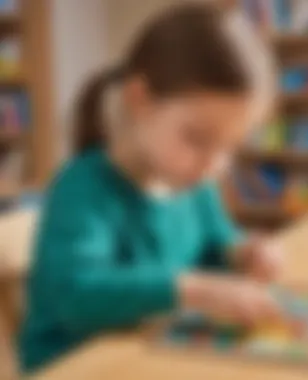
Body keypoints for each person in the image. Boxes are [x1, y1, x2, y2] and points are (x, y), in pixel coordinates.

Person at [19, 2, 281, 373]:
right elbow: (75, 296)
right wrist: (194, 289)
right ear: (140, 100)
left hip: (154, 353)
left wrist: (243, 253)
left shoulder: (195, 183)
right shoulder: (81, 187)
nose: (213, 164)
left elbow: (216, 246)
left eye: (229, 147)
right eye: (197, 138)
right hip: (74, 365)